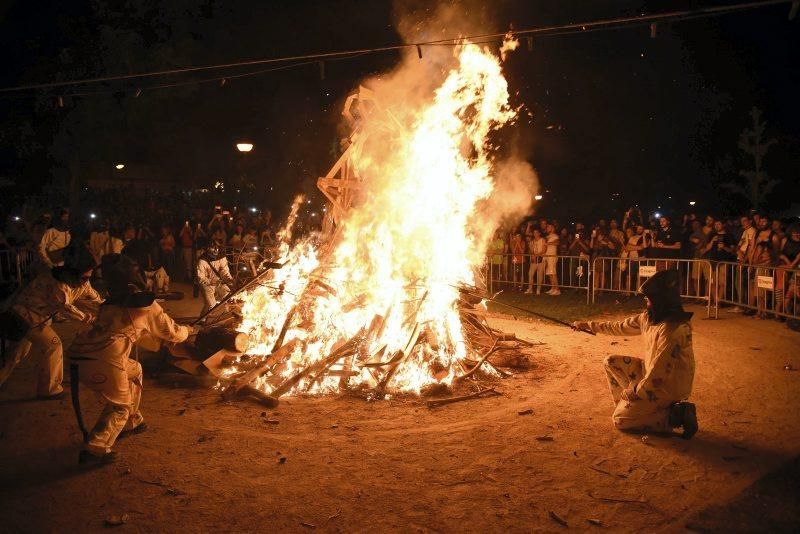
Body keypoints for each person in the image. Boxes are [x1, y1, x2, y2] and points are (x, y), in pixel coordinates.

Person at [69, 255, 190, 464]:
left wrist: (159, 341)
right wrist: (188, 331)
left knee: (135, 370)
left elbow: (133, 332)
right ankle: (95, 449)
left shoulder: (108, 305)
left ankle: (133, 421)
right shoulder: (148, 306)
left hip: (78, 357)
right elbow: (174, 332)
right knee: (119, 407)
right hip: (104, 361)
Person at [572, 270, 698, 439]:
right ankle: (634, 408)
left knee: (619, 420)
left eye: (648, 298)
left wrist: (637, 390)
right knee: (611, 362)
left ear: (660, 300)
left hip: (669, 387)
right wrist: (588, 325)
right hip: (651, 376)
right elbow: (618, 327)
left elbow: (660, 371)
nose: (645, 301)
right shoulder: (648, 318)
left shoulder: (674, 330)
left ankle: (675, 415)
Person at [0, 248, 101, 398]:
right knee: (53, 345)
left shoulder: (79, 280)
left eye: (88, 276)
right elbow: (67, 309)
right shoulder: (57, 285)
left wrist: (106, 305)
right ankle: (49, 390)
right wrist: (90, 318)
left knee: (16, 354)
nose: (87, 280)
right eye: (84, 277)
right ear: (74, 273)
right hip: (26, 317)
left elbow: (92, 297)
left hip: (34, 318)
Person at [196, 241, 236, 318]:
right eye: (213, 248)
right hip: (206, 284)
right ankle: (204, 320)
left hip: (219, 282)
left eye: (217, 247)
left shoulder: (221, 257)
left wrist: (230, 280)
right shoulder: (202, 261)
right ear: (207, 249)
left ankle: (226, 316)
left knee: (227, 295)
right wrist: (212, 282)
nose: (216, 250)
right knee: (211, 305)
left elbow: (225, 271)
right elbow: (201, 278)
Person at [525, 228, 546, 295]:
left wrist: (536, 255)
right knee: (530, 274)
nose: (535, 234)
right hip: (534, 260)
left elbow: (544, 250)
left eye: (536, 232)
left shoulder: (542, 240)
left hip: (541, 259)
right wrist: (532, 254)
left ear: (539, 233)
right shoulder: (532, 241)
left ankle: (538, 289)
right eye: (534, 233)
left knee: (540, 275)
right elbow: (530, 250)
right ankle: (530, 289)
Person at [544, 223, 560, 295]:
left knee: (553, 273)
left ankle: (557, 289)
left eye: (549, 227)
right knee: (549, 273)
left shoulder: (555, 236)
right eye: (547, 227)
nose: (547, 228)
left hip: (552, 256)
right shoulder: (548, 236)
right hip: (548, 256)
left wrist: (549, 243)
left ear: (552, 228)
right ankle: (552, 288)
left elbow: (557, 242)